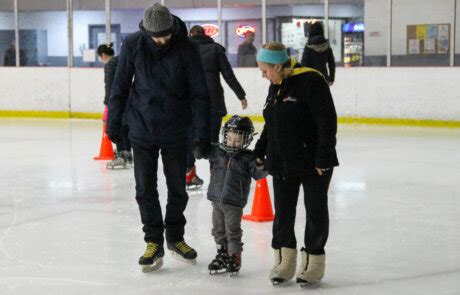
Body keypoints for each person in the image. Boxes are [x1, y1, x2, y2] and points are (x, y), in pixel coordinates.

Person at [107, 3, 211, 272]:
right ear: (146, 32)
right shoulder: (133, 45)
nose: (162, 40)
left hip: (177, 129)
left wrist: (201, 134)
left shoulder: (187, 48)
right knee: (144, 188)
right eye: (157, 36)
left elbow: (200, 93)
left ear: (172, 28)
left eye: (166, 34)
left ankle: (175, 237)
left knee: (177, 188)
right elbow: (119, 87)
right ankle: (153, 241)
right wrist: (114, 125)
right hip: (141, 127)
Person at [254, 42, 339, 286]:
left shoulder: (311, 81)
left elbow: (327, 122)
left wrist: (323, 156)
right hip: (282, 161)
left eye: (265, 70)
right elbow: (272, 122)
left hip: (313, 162)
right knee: (283, 212)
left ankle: (314, 264)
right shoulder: (276, 86)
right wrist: (261, 150)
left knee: (315, 211)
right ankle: (285, 262)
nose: (263, 76)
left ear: (278, 66)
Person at [200, 115, 267, 275]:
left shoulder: (247, 158)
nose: (232, 142)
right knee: (218, 229)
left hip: (234, 202)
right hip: (216, 200)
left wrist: (261, 165)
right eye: (229, 138)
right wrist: (199, 147)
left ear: (246, 140)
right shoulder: (218, 151)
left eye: (237, 140)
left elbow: (259, 174)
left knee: (232, 231)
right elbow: (202, 151)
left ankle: (234, 256)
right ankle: (222, 254)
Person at [186, 25, 248, 189]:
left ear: (190, 34)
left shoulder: (184, 49)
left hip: (191, 102)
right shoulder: (215, 50)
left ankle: (189, 175)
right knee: (213, 141)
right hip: (214, 101)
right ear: (205, 34)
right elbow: (228, 75)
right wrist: (241, 94)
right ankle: (216, 176)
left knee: (190, 138)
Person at [97, 43, 132, 169]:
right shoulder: (123, 61)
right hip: (131, 100)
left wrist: (107, 104)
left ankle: (121, 155)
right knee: (126, 126)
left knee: (115, 127)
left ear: (103, 55)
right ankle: (127, 154)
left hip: (117, 101)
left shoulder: (110, 65)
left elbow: (110, 87)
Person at [301, 22, 335, 86]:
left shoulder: (308, 45)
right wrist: (331, 78)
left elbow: (304, 64)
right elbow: (331, 63)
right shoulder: (327, 45)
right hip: (324, 77)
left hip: (310, 79)